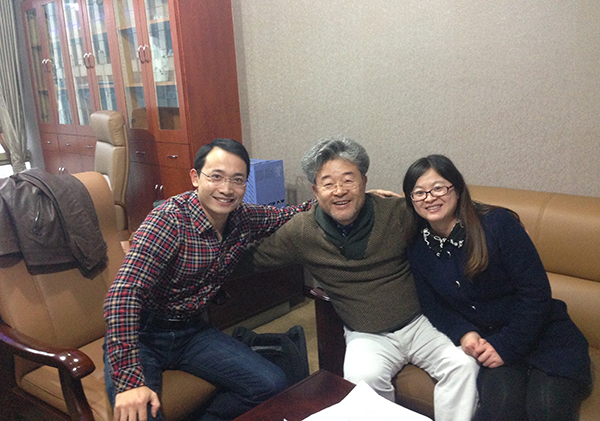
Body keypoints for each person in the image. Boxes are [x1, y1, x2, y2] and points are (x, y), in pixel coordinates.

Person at [250, 136, 479, 421]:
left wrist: (499, 223)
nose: (340, 191)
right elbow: (256, 258)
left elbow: (453, 213)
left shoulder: (396, 212)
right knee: (361, 382)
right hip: (366, 335)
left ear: (364, 181)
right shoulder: (301, 231)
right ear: (315, 190)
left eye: (349, 180)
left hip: (421, 322)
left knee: (464, 364)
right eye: (328, 183)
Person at [103, 138, 314, 421]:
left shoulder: (242, 217)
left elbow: (289, 214)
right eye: (216, 176)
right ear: (195, 177)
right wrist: (130, 382)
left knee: (271, 384)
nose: (226, 189)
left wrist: (337, 198)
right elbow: (123, 296)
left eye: (237, 180)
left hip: (191, 331)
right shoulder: (168, 221)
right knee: (140, 414)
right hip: (145, 334)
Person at [402, 154, 592, 421]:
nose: (429, 198)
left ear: (457, 188)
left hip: (544, 336)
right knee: (499, 411)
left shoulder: (498, 224)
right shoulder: (417, 245)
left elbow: (536, 293)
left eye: (438, 188)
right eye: (419, 193)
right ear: (411, 200)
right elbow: (433, 304)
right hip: (489, 342)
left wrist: (506, 346)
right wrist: (464, 333)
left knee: (546, 410)